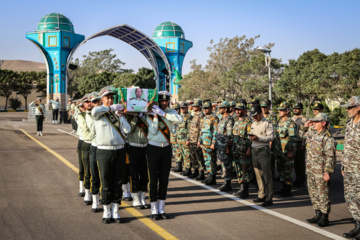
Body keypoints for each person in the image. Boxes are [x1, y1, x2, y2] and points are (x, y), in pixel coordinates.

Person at [92, 86, 130, 224]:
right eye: (107, 98)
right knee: (106, 182)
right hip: (104, 151)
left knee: (118, 182)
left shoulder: (117, 115)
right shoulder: (98, 113)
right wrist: (111, 108)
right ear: (102, 99)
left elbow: (127, 130)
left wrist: (121, 117)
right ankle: (106, 210)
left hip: (119, 150)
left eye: (112, 98)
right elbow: (95, 110)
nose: (110, 100)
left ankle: (116, 210)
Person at [146, 91, 183, 220]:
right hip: (153, 148)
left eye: (166, 100)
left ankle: (162, 208)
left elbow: (180, 119)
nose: (164, 102)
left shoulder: (171, 113)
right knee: (153, 180)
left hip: (166, 148)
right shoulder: (149, 114)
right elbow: (153, 130)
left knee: (164, 180)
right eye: (161, 100)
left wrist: (164, 114)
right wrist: (156, 117)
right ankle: (154, 209)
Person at [301, 113, 336, 227]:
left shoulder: (328, 138)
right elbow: (301, 134)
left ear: (323, 123)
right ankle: (317, 214)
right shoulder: (311, 133)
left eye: (316, 122)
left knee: (323, 194)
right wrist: (305, 125)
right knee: (313, 193)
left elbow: (330, 157)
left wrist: (327, 172)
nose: (314, 123)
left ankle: (324, 217)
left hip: (321, 172)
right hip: (311, 170)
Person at [341, 96, 360, 239]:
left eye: (350, 107)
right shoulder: (349, 124)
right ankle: (358, 225)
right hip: (348, 167)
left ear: (358, 107)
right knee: (350, 197)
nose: (347, 110)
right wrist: (342, 164)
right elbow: (346, 145)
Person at [249, 104, 274, 206]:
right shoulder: (254, 123)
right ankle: (261, 194)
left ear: (260, 113)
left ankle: (269, 198)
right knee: (258, 174)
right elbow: (251, 133)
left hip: (263, 150)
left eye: (256, 115)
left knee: (267, 175)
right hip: (254, 150)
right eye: (253, 115)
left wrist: (259, 138)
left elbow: (271, 137)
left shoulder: (267, 123)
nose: (254, 117)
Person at [126, 111, 149, 209]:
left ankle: (142, 197)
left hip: (145, 147)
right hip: (133, 147)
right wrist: (135, 117)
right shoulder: (128, 117)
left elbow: (149, 128)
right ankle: (135, 198)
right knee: (134, 174)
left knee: (145, 174)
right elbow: (129, 130)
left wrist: (142, 116)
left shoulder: (146, 116)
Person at [274, 102, 297, 197]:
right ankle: (283, 187)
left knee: (288, 170)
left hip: (287, 152)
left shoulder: (290, 123)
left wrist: (290, 151)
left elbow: (292, 138)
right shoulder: (280, 122)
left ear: (287, 111)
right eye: (279, 110)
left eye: (282, 110)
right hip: (279, 151)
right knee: (281, 170)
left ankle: (288, 189)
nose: (279, 112)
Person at [231, 103, 253, 198]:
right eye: (236, 109)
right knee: (238, 169)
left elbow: (250, 137)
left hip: (244, 150)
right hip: (236, 149)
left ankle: (245, 190)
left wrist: (249, 148)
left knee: (245, 169)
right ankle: (241, 188)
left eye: (239, 109)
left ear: (244, 110)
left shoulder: (248, 121)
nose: (237, 111)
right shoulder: (236, 121)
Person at [77, 94, 95, 206]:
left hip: (96, 144)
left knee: (95, 171)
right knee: (85, 169)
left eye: (91, 101)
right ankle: (85, 191)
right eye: (86, 102)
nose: (89, 103)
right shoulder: (81, 115)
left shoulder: (97, 114)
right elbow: (86, 129)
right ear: (83, 104)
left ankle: (94, 193)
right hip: (85, 143)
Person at [86, 92, 102, 212]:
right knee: (95, 175)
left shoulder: (105, 112)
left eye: (99, 101)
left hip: (105, 147)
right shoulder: (90, 115)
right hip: (95, 146)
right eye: (95, 102)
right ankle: (95, 201)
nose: (97, 104)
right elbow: (94, 130)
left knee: (107, 176)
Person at [198, 100, 219, 185]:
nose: (205, 110)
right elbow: (201, 131)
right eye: (204, 108)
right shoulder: (204, 118)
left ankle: (212, 177)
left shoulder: (214, 118)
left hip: (210, 143)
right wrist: (199, 140)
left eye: (207, 108)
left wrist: (213, 143)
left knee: (211, 160)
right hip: (204, 143)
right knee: (206, 160)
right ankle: (209, 175)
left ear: (211, 108)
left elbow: (215, 132)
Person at [215, 101, 234, 191]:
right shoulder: (222, 119)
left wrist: (227, 148)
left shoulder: (229, 119)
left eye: (220, 108)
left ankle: (228, 183)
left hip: (225, 146)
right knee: (223, 164)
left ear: (225, 109)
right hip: (220, 146)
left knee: (227, 165)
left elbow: (229, 135)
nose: (219, 109)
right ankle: (225, 182)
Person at [186, 99, 206, 180]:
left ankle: (201, 173)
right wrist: (188, 138)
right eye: (193, 106)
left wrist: (199, 140)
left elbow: (201, 129)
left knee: (199, 157)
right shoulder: (195, 115)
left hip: (197, 140)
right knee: (193, 156)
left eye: (195, 106)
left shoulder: (201, 116)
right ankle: (196, 171)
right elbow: (191, 129)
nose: (193, 107)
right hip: (192, 139)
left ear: (199, 107)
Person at [292, 102, 308, 187]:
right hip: (293, 142)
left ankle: (301, 179)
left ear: (301, 110)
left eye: (297, 108)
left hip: (300, 142)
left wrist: (303, 144)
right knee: (294, 162)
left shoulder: (304, 119)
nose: (295, 110)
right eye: (294, 108)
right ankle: (297, 178)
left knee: (300, 162)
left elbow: (306, 133)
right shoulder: (292, 119)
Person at [261, 100, 277, 178]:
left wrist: (271, 142)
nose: (264, 109)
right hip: (261, 140)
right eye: (262, 107)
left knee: (270, 160)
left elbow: (273, 129)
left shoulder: (272, 115)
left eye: (265, 107)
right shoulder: (260, 115)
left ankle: (271, 177)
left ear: (269, 107)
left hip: (269, 140)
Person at [177, 102, 194, 176]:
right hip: (180, 138)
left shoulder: (189, 117)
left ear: (187, 108)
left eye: (184, 108)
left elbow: (190, 129)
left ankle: (188, 169)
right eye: (181, 108)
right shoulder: (179, 116)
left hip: (185, 139)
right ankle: (185, 168)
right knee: (182, 154)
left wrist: (188, 139)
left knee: (187, 155)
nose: (182, 109)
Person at [171, 103, 183, 173]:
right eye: (174, 109)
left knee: (179, 152)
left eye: (176, 109)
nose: (175, 110)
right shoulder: (172, 117)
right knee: (175, 152)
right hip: (173, 137)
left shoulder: (180, 117)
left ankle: (179, 166)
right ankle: (177, 165)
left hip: (179, 137)